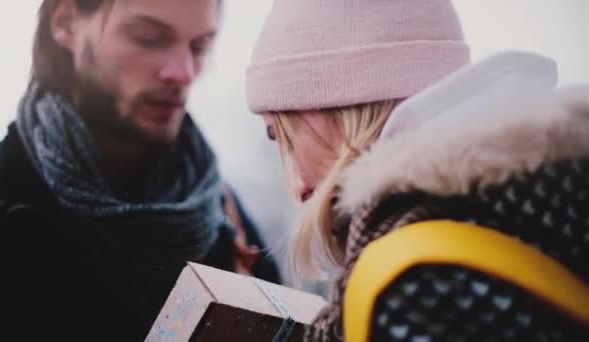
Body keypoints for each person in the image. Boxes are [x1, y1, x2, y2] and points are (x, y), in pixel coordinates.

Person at [246, 0, 589, 340]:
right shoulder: (548, 205)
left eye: (283, 138)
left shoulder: (411, 280)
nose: (297, 187)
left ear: (332, 105)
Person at [0, 0, 280, 341]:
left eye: (200, 47)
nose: (184, 73)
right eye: (148, 37)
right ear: (65, 23)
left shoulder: (223, 216)